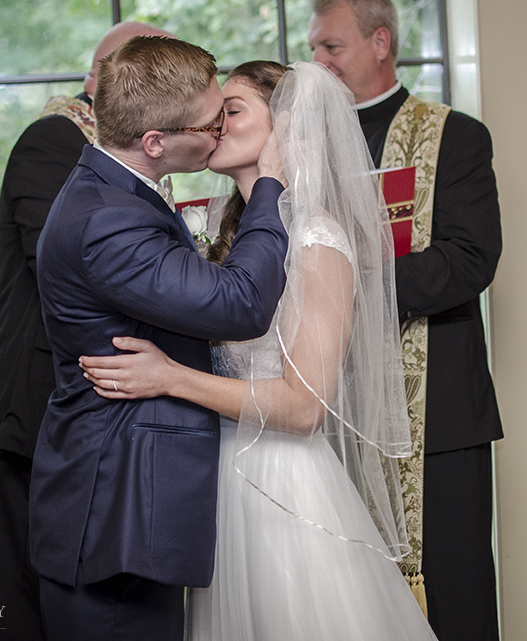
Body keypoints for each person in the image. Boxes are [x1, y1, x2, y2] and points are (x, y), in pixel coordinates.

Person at [80, 61, 438, 640]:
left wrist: (169, 377)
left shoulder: (316, 237)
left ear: (287, 127)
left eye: (233, 111)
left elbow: (302, 409)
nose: (215, 126)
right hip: (208, 481)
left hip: (283, 486)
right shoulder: (221, 227)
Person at [27, 37, 289, 641]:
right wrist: (270, 186)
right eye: (212, 120)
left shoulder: (118, 192)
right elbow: (242, 303)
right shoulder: (108, 219)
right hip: (117, 506)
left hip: (128, 491)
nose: (221, 127)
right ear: (154, 142)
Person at [308, 0, 503, 641]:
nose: (319, 62)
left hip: (439, 410)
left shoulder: (454, 136)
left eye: (331, 46)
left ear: (380, 42)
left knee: (455, 594)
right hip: (338, 409)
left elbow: (470, 261)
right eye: (313, 49)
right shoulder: (305, 152)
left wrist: (348, 289)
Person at [0, 20, 170, 640]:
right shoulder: (53, 143)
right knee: (30, 606)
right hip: (37, 411)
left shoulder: (130, 155)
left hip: (95, 411)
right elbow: (85, 266)